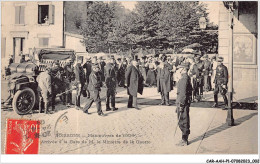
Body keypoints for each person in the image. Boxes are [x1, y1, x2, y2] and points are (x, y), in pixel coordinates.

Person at [175, 63, 192, 146]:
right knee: (183, 119)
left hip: (182, 103)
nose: (177, 70)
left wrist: (181, 104)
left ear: (182, 70)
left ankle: (184, 140)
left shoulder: (183, 79)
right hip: (184, 102)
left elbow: (182, 94)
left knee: (183, 120)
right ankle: (184, 138)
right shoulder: (186, 78)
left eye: (178, 69)